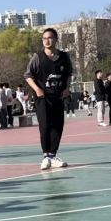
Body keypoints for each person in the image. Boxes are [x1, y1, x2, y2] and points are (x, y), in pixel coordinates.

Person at [24, 28, 72, 170]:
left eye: (49, 38)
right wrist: (37, 89)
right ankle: (45, 157)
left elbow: (68, 75)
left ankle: (52, 156)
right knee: (45, 125)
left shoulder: (64, 57)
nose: (47, 40)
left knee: (58, 126)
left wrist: (67, 89)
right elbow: (28, 76)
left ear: (56, 39)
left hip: (58, 96)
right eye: (44, 38)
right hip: (43, 98)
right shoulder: (37, 57)